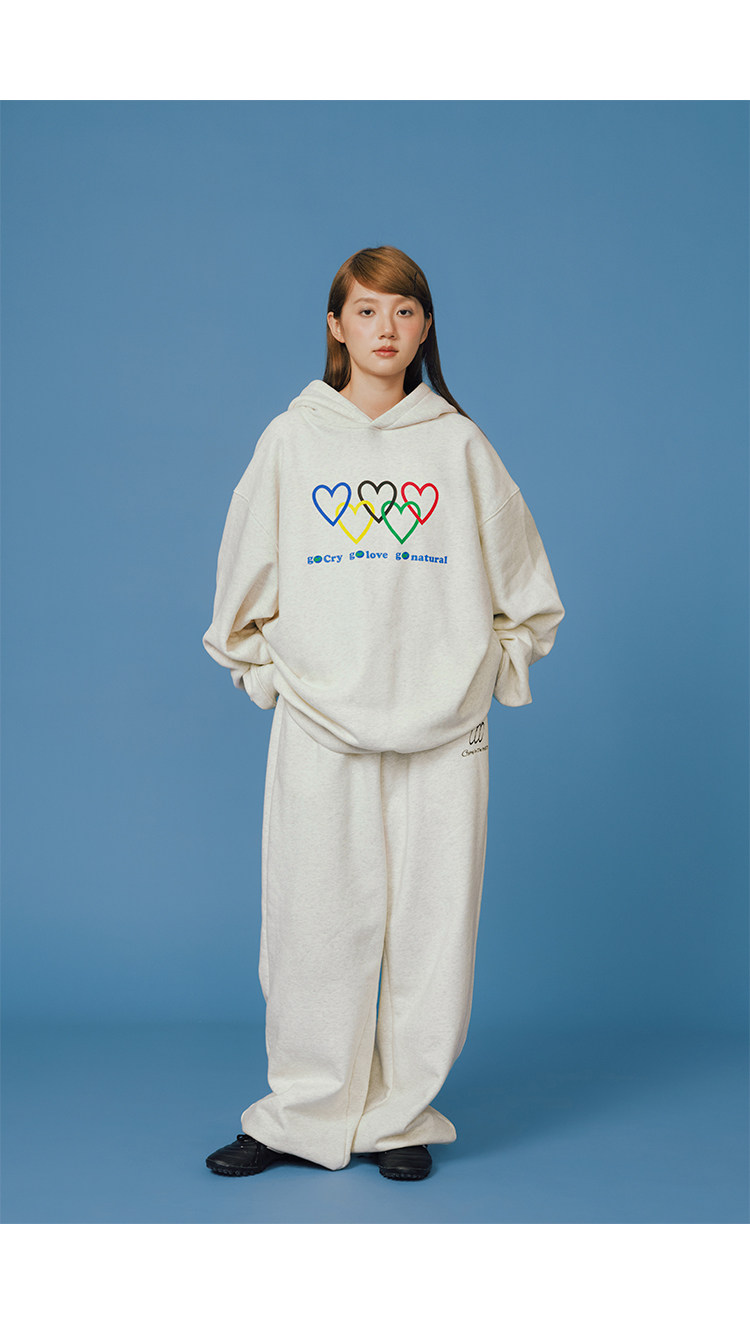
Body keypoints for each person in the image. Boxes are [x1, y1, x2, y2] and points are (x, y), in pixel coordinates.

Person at [201, 245, 565, 1182]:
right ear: (336, 326)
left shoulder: (458, 446)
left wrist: (484, 674)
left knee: (432, 928)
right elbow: (241, 586)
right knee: (312, 923)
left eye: (404, 311)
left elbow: (527, 591)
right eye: (366, 311)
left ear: (425, 326)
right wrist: (272, 679)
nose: (386, 329)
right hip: (322, 722)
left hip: (444, 730)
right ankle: (301, 1115)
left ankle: (400, 1117)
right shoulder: (293, 441)